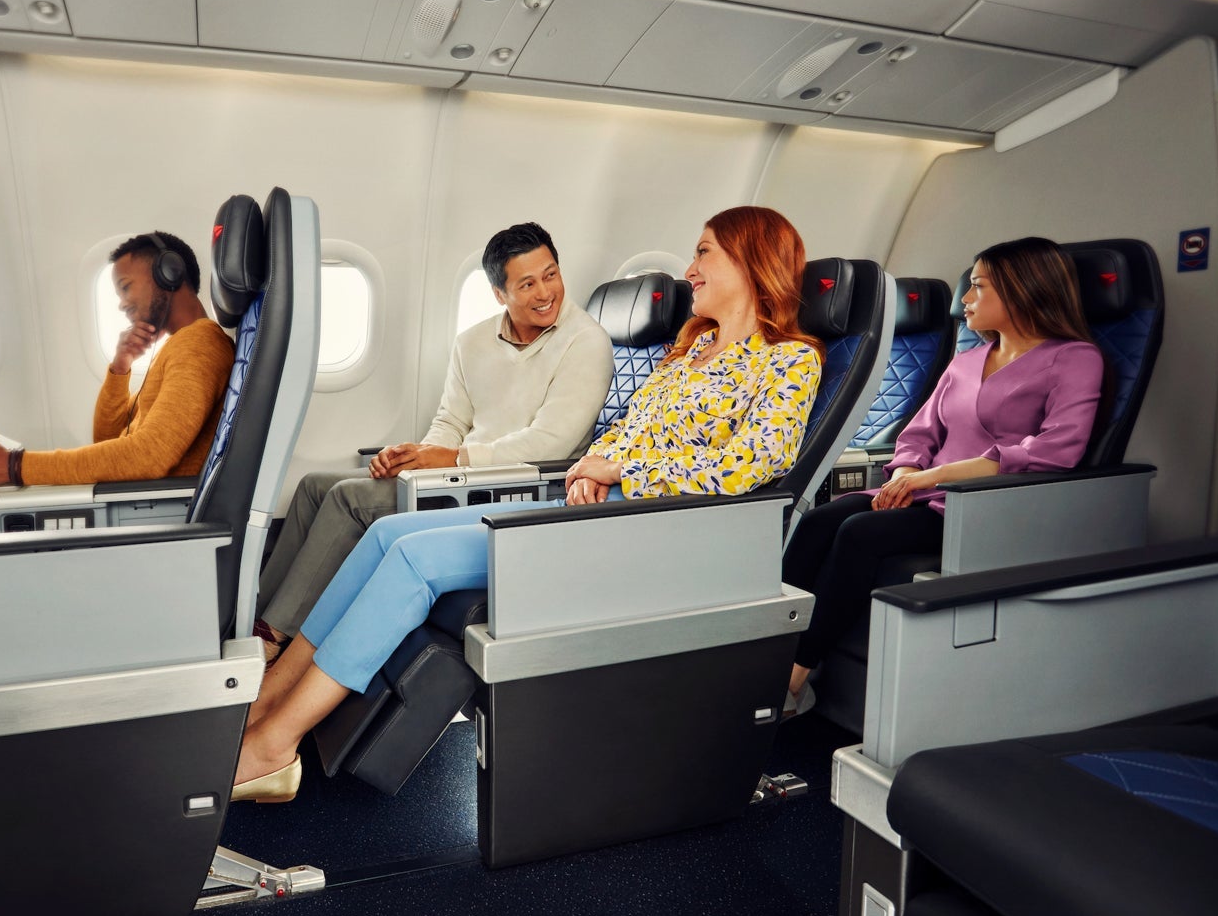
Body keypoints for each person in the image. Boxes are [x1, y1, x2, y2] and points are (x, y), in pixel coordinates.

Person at [231, 206, 824, 802]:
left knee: (414, 561)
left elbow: (753, 465)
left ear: (751, 262)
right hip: (592, 508)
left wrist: (621, 471)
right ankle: (266, 702)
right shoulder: (688, 352)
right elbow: (624, 429)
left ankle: (275, 745)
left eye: (704, 253)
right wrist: (593, 468)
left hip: (650, 533)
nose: (689, 270)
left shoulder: (789, 360)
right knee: (391, 536)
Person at [251, 222, 614, 660]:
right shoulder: (472, 342)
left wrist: (453, 458)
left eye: (551, 274)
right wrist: (416, 456)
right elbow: (450, 421)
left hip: (523, 484)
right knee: (312, 485)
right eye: (528, 283)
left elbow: (551, 444)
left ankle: (272, 639)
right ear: (500, 293)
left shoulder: (586, 341)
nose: (545, 292)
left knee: (350, 498)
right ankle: (254, 621)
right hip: (466, 473)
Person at [779, 236, 1105, 717]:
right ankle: (763, 649)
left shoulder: (1076, 359)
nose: (966, 300)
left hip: (983, 503)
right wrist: (907, 471)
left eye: (977, 287)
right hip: (922, 490)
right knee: (818, 521)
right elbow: (921, 430)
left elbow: (1056, 450)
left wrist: (932, 477)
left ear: (1021, 289)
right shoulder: (967, 359)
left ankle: (795, 678)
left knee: (859, 533)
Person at [0, 231, 235, 539]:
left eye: (126, 286)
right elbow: (108, 439)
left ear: (169, 273)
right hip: (123, 496)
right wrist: (120, 368)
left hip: (139, 511)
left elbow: (148, 456)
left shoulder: (198, 345)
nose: (121, 303)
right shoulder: (179, 347)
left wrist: (12, 466)